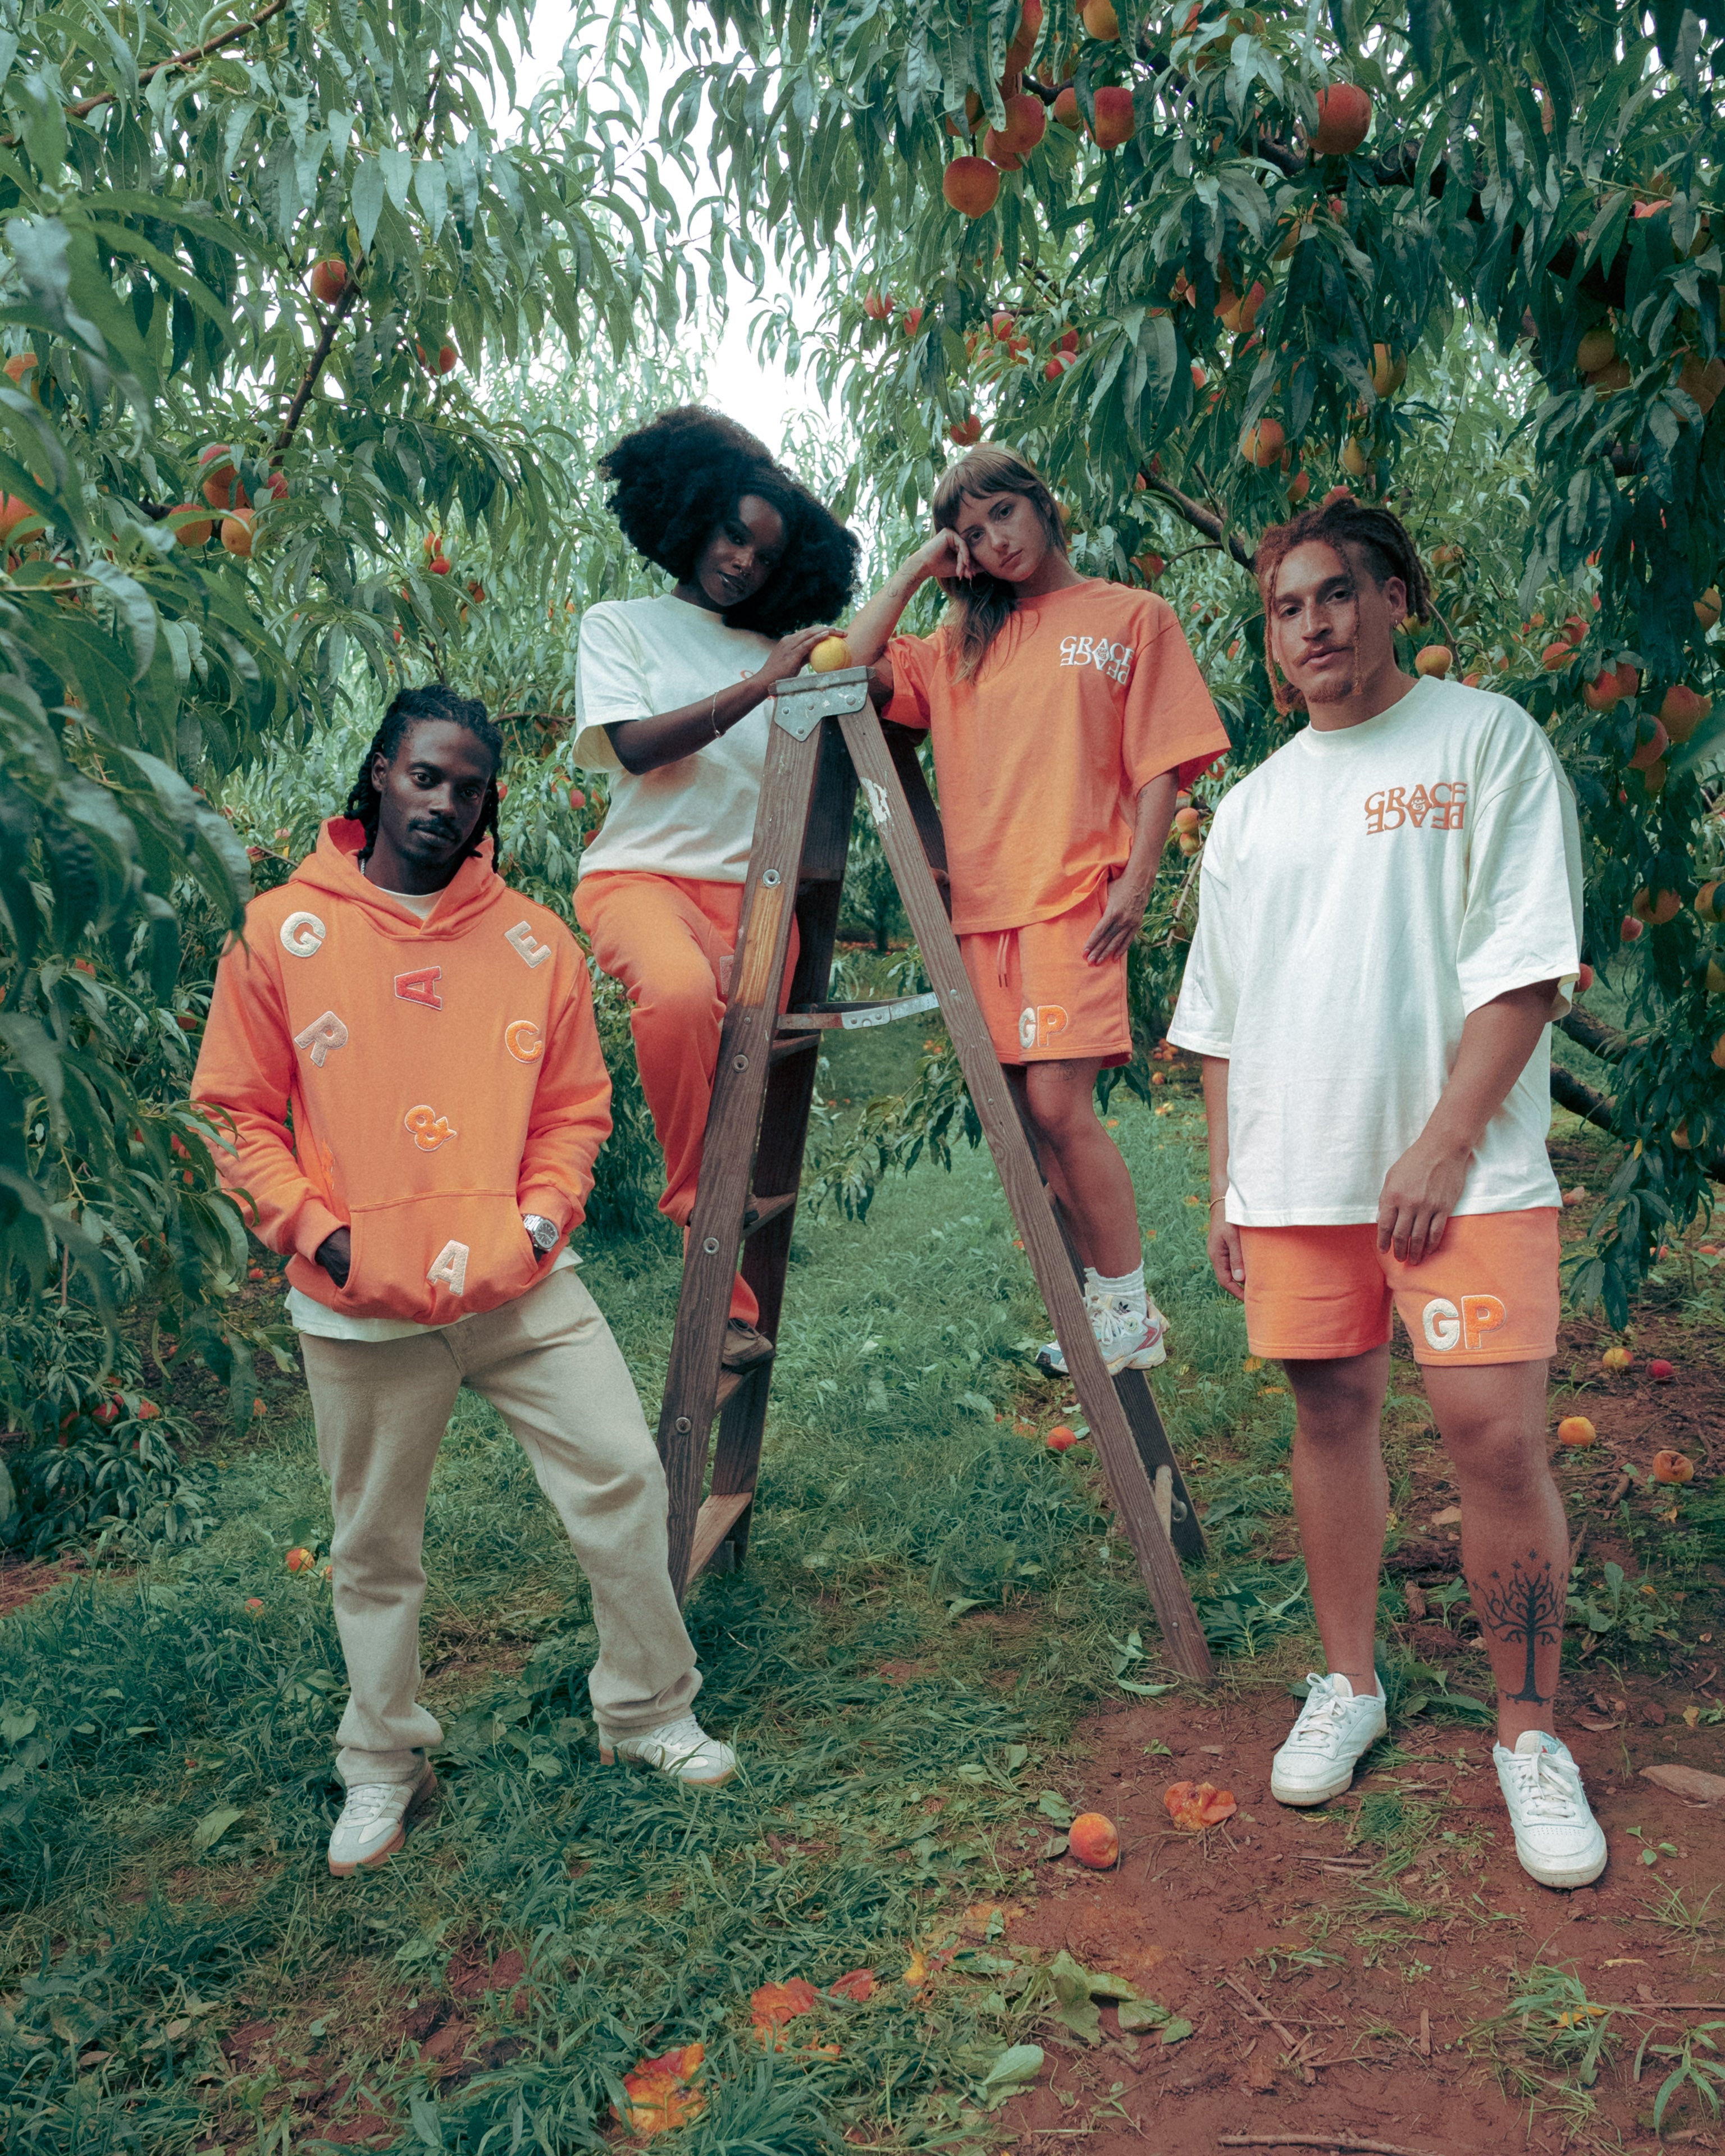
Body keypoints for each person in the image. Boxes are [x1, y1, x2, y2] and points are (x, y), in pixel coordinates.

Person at [192, 685, 737, 1879]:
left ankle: (646, 1709)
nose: (446, 801)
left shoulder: (535, 942)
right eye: (425, 775)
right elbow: (233, 1110)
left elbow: (575, 1108)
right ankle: (383, 1763)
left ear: (490, 803)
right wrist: (321, 1235)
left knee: (623, 1475)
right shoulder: (280, 931)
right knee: (373, 1546)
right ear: (380, 774)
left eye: (470, 786)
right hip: (359, 1304)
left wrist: (538, 1224)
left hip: (522, 1287)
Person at [1166, 495, 1604, 1890]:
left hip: (1463, 1174)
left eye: (1338, 593)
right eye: (1287, 608)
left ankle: (1529, 1733)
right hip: (1297, 1174)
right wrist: (1229, 1185)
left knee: (1496, 1440)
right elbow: (1219, 1020)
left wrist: (1444, 1143)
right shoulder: (1251, 809)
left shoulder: (1486, 741)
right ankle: (1348, 1682)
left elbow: (1527, 965)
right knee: (1330, 1413)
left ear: (1396, 596)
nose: (1314, 626)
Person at [842, 445, 1230, 1376]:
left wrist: (1138, 882)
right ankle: (1103, 1307)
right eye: (970, 533)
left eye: (1002, 514)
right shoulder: (956, 646)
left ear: (1042, 503)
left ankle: (1129, 1310)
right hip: (982, 914)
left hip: (1075, 900)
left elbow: (1162, 764)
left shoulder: (1132, 616)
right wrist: (917, 569)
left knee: (1061, 1104)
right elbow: (847, 668)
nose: (994, 541)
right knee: (1025, 1128)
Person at [572, 408, 859, 1366]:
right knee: (679, 996)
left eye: (767, 555)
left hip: (754, 898)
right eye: (734, 534)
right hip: (640, 878)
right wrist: (759, 685)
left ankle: (729, 1300)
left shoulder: (784, 650)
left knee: (737, 1078)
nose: (743, 562)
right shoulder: (620, 625)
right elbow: (636, 748)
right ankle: (699, 1207)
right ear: (694, 517)